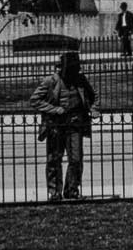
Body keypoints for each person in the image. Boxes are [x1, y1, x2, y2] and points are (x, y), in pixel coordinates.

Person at [29, 51, 97, 201]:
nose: (73, 72)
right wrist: (54, 109)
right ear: (61, 68)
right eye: (70, 69)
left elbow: (93, 96)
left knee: (76, 159)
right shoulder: (50, 81)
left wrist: (93, 109)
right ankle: (55, 192)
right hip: (56, 126)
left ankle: (71, 190)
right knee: (54, 160)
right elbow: (34, 100)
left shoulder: (80, 80)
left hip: (75, 125)